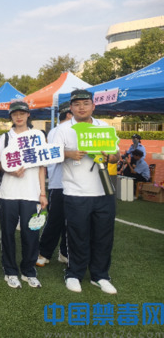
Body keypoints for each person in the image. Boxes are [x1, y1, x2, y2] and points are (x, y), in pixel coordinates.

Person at [54, 89, 120, 294]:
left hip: (103, 191)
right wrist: (69, 153)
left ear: (93, 106)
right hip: (76, 192)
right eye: (77, 104)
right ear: (71, 108)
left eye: (85, 103)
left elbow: (116, 155)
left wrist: (109, 157)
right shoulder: (62, 129)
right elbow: (51, 155)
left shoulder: (104, 127)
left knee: (103, 236)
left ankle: (100, 276)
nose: (81, 107)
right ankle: (74, 274)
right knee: (77, 236)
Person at [0, 101, 48, 289]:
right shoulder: (5, 138)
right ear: (11, 116)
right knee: (8, 234)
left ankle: (28, 271)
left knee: (31, 233)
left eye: (22, 113)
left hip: (31, 193)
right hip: (8, 193)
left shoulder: (38, 135)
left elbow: (42, 166)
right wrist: (10, 171)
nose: (18, 117)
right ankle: (10, 271)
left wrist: (43, 193)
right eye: (15, 114)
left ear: (28, 115)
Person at [36, 102, 72, 267]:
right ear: (69, 114)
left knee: (69, 221)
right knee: (55, 220)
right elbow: (55, 155)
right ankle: (44, 252)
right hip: (59, 183)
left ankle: (64, 252)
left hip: (71, 184)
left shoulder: (59, 130)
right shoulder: (58, 131)